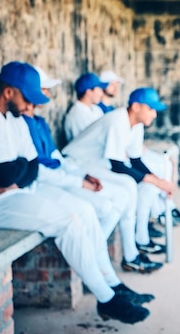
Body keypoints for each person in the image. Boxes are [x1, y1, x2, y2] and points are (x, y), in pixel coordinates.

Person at [0, 61, 153, 324]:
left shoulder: (12, 116)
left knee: (85, 210)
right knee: (67, 221)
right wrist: (16, 171)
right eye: (27, 98)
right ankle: (107, 298)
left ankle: (111, 284)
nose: (32, 105)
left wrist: (15, 174)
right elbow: (6, 174)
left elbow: (30, 168)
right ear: (8, 91)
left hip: (15, 191)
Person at [22, 66, 162, 274]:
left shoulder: (40, 122)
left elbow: (54, 158)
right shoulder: (93, 114)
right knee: (116, 197)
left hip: (79, 167)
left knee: (125, 193)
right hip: (78, 165)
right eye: (43, 89)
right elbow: (116, 164)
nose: (48, 94)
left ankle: (125, 248)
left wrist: (156, 180)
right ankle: (103, 253)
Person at [62, 87, 178, 255]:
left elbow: (135, 160)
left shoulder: (136, 124)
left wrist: (160, 182)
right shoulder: (118, 119)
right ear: (136, 106)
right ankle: (120, 252)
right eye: (150, 108)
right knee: (129, 186)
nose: (154, 114)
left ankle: (135, 246)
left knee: (139, 186)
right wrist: (157, 181)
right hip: (75, 164)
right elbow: (118, 165)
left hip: (97, 163)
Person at [63, 72, 108, 142]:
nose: (102, 93)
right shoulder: (76, 114)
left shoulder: (96, 109)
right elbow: (87, 142)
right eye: (99, 90)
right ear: (88, 91)